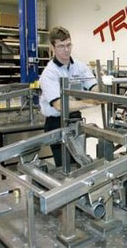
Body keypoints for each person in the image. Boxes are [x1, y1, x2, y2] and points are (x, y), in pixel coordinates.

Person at [39, 26, 99, 167]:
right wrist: (92, 101)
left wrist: (101, 89)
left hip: (75, 118)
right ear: (52, 47)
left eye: (68, 45)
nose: (66, 50)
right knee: (64, 166)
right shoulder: (49, 73)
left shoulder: (80, 67)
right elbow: (59, 105)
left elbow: (94, 88)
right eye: (61, 46)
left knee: (79, 161)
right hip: (56, 122)